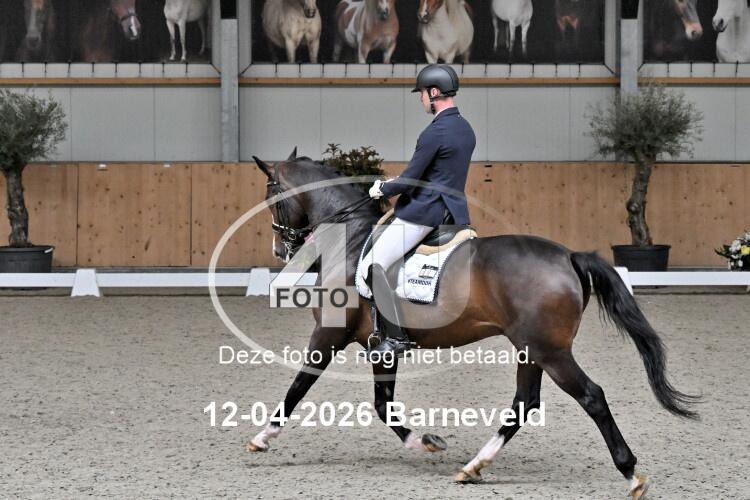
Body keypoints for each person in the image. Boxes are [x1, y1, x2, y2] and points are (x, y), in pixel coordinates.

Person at [361, 63, 476, 359]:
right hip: (453, 212)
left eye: (422, 93)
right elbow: (437, 174)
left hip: (424, 213)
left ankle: (396, 338)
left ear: (434, 92)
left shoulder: (434, 132)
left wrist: (382, 188)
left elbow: (412, 178)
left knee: (373, 265)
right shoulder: (465, 128)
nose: (421, 99)